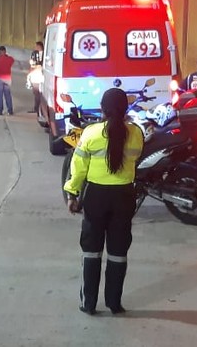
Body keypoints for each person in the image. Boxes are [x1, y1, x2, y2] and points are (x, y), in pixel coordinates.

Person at [63, 88, 144, 316]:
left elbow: (78, 168)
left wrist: (72, 194)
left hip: (95, 197)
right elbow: (136, 158)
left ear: (102, 108)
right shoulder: (136, 134)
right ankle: (114, 303)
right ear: (125, 109)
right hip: (124, 196)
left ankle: (88, 303)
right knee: (118, 252)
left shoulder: (91, 133)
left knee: (91, 251)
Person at [27, 41, 44, 114]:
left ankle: (38, 109)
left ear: (39, 46)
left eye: (36, 46)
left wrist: (33, 68)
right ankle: (38, 109)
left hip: (38, 76)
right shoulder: (35, 54)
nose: (35, 48)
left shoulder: (41, 55)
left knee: (38, 94)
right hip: (36, 76)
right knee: (37, 94)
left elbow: (37, 65)